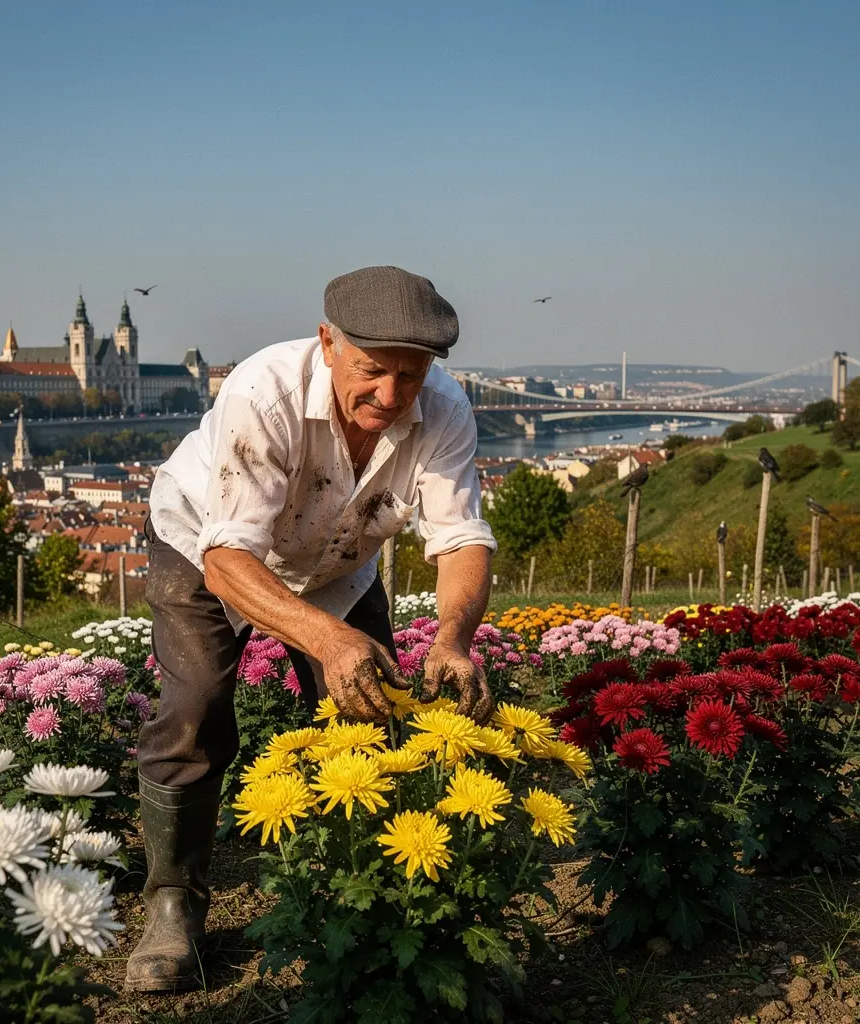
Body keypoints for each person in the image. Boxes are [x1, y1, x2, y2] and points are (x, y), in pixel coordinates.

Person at [126, 265, 497, 992]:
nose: (390, 397)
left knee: (374, 709)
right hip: (208, 544)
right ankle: (173, 902)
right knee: (197, 705)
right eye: (372, 371)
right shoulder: (263, 393)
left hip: (335, 560)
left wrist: (452, 639)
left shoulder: (446, 410)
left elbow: (460, 541)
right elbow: (230, 557)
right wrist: (325, 639)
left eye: (411, 377)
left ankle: (365, 889)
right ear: (328, 343)